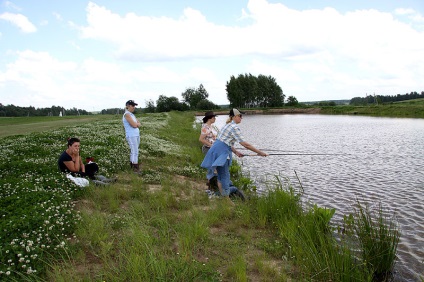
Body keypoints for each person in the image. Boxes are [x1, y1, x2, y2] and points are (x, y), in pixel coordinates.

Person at [201, 108, 268, 202]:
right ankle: (227, 201)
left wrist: (236, 152)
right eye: (240, 116)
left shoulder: (227, 125)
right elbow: (245, 144)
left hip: (217, 151)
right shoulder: (234, 127)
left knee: (220, 176)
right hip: (222, 154)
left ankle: (224, 197)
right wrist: (259, 152)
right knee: (224, 176)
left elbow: (226, 142)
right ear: (235, 116)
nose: (242, 118)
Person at [123, 99, 142, 174]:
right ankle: (135, 167)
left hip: (136, 135)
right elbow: (134, 125)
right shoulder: (127, 114)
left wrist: (136, 124)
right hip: (131, 135)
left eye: (134, 106)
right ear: (128, 106)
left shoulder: (132, 115)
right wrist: (136, 124)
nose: (134, 107)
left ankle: (132, 164)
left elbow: (139, 123)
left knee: (134, 150)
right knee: (135, 151)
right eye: (133, 105)